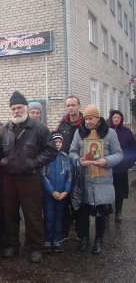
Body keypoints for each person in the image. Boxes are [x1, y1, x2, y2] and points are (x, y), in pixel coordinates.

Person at [0, 91, 58, 263]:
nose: (16, 111)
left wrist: (34, 163)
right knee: (10, 214)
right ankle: (13, 245)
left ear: (26, 108)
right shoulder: (5, 129)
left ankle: (36, 247)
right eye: (13, 108)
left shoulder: (39, 128)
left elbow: (51, 150)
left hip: (30, 178)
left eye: (19, 108)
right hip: (9, 178)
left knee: (32, 215)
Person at [69, 104, 123, 254]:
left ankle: (99, 241)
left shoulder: (110, 133)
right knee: (83, 212)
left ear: (98, 118)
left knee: (101, 213)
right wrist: (79, 160)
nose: (88, 122)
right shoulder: (80, 133)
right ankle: (84, 239)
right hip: (84, 179)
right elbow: (72, 151)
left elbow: (119, 154)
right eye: (86, 118)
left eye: (91, 118)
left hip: (102, 180)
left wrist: (107, 161)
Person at [55, 96, 83, 242]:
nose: (70, 108)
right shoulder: (62, 125)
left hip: (80, 166)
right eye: (68, 105)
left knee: (78, 199)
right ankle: (64, 231)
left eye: (73, 105)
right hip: (64, 167)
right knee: (64, 200)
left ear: (79, 106)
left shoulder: (85, 124)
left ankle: (80, 231)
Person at [41, 133, 72, 254]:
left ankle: (56, 239)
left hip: (62, 194)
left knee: (59, 217)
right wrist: (51, 191)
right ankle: (47, 239)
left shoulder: (65, 157)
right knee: (49, 217)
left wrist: (66, 190)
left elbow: (70, 175)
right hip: (49, 194)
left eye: (59, 142)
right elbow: (43, 175)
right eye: (55, 142)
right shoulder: (46, 157)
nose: (57, 144)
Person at [108, 110, 136, 223]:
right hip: (108, 167)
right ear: (111, 118)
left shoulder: (126, 132)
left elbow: (133, 149)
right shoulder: (106, 131)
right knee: (108, 190)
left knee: (120, 191)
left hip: (121, 167)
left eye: (118, 117)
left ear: (121, 119)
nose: (116, 119)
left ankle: (118, 211)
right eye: (114, 117)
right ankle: (107, 209)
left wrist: (128, 163)